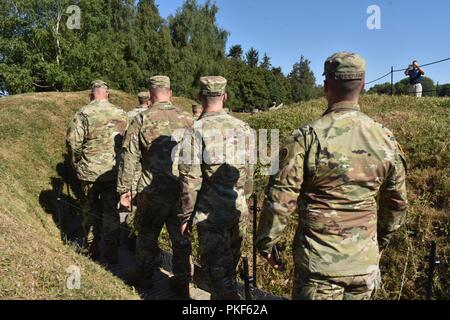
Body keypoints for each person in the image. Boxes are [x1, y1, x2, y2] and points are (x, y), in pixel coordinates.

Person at [256, 52, 408, 300]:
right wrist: (380, 241)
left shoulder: (306, 138)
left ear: (326, 87)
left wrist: (267, 242)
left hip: (320, 267)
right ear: (363, 86)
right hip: (364, 263)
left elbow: (280, 199)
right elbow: (397, 202)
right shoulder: (386, 139)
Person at [178, 76, 254, 300]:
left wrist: (185, 216)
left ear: (200, 97)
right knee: (228, 270)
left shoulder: (195, 131)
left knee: (218, 276)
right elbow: (248, 175)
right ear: (225, 96)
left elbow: (190, 180)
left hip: (211, 216)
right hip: (238, 210)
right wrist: (244, 201)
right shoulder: (244, 128)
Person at [117, 76, 193, 297]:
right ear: (170, 93)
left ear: (150, 95)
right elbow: (198, 159)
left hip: (152, 191)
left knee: (147, 235)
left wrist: (124, 190)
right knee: (181, 239)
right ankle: (182, 280)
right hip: (181, 191)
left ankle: (144, 275)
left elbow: (129, 157)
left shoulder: (142, 119)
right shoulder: (188, 119)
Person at [66, 80, 128, 264]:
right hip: (112, 171)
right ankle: (111, 252)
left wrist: (76, 162)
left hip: (89, 171)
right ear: (107, 94)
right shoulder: (120, 113)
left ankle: (91, 249)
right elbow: (129, 144)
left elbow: (72, 142)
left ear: (91, 94)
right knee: (111, 211)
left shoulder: (83, 113)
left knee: (89, 210)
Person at [123, 91, 152, 252]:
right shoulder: (151, 115)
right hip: (150, 163)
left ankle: (130, 229)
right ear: (148, 100)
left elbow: (125, 138)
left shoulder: (129, 115)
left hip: (134, 162)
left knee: (134, 196)